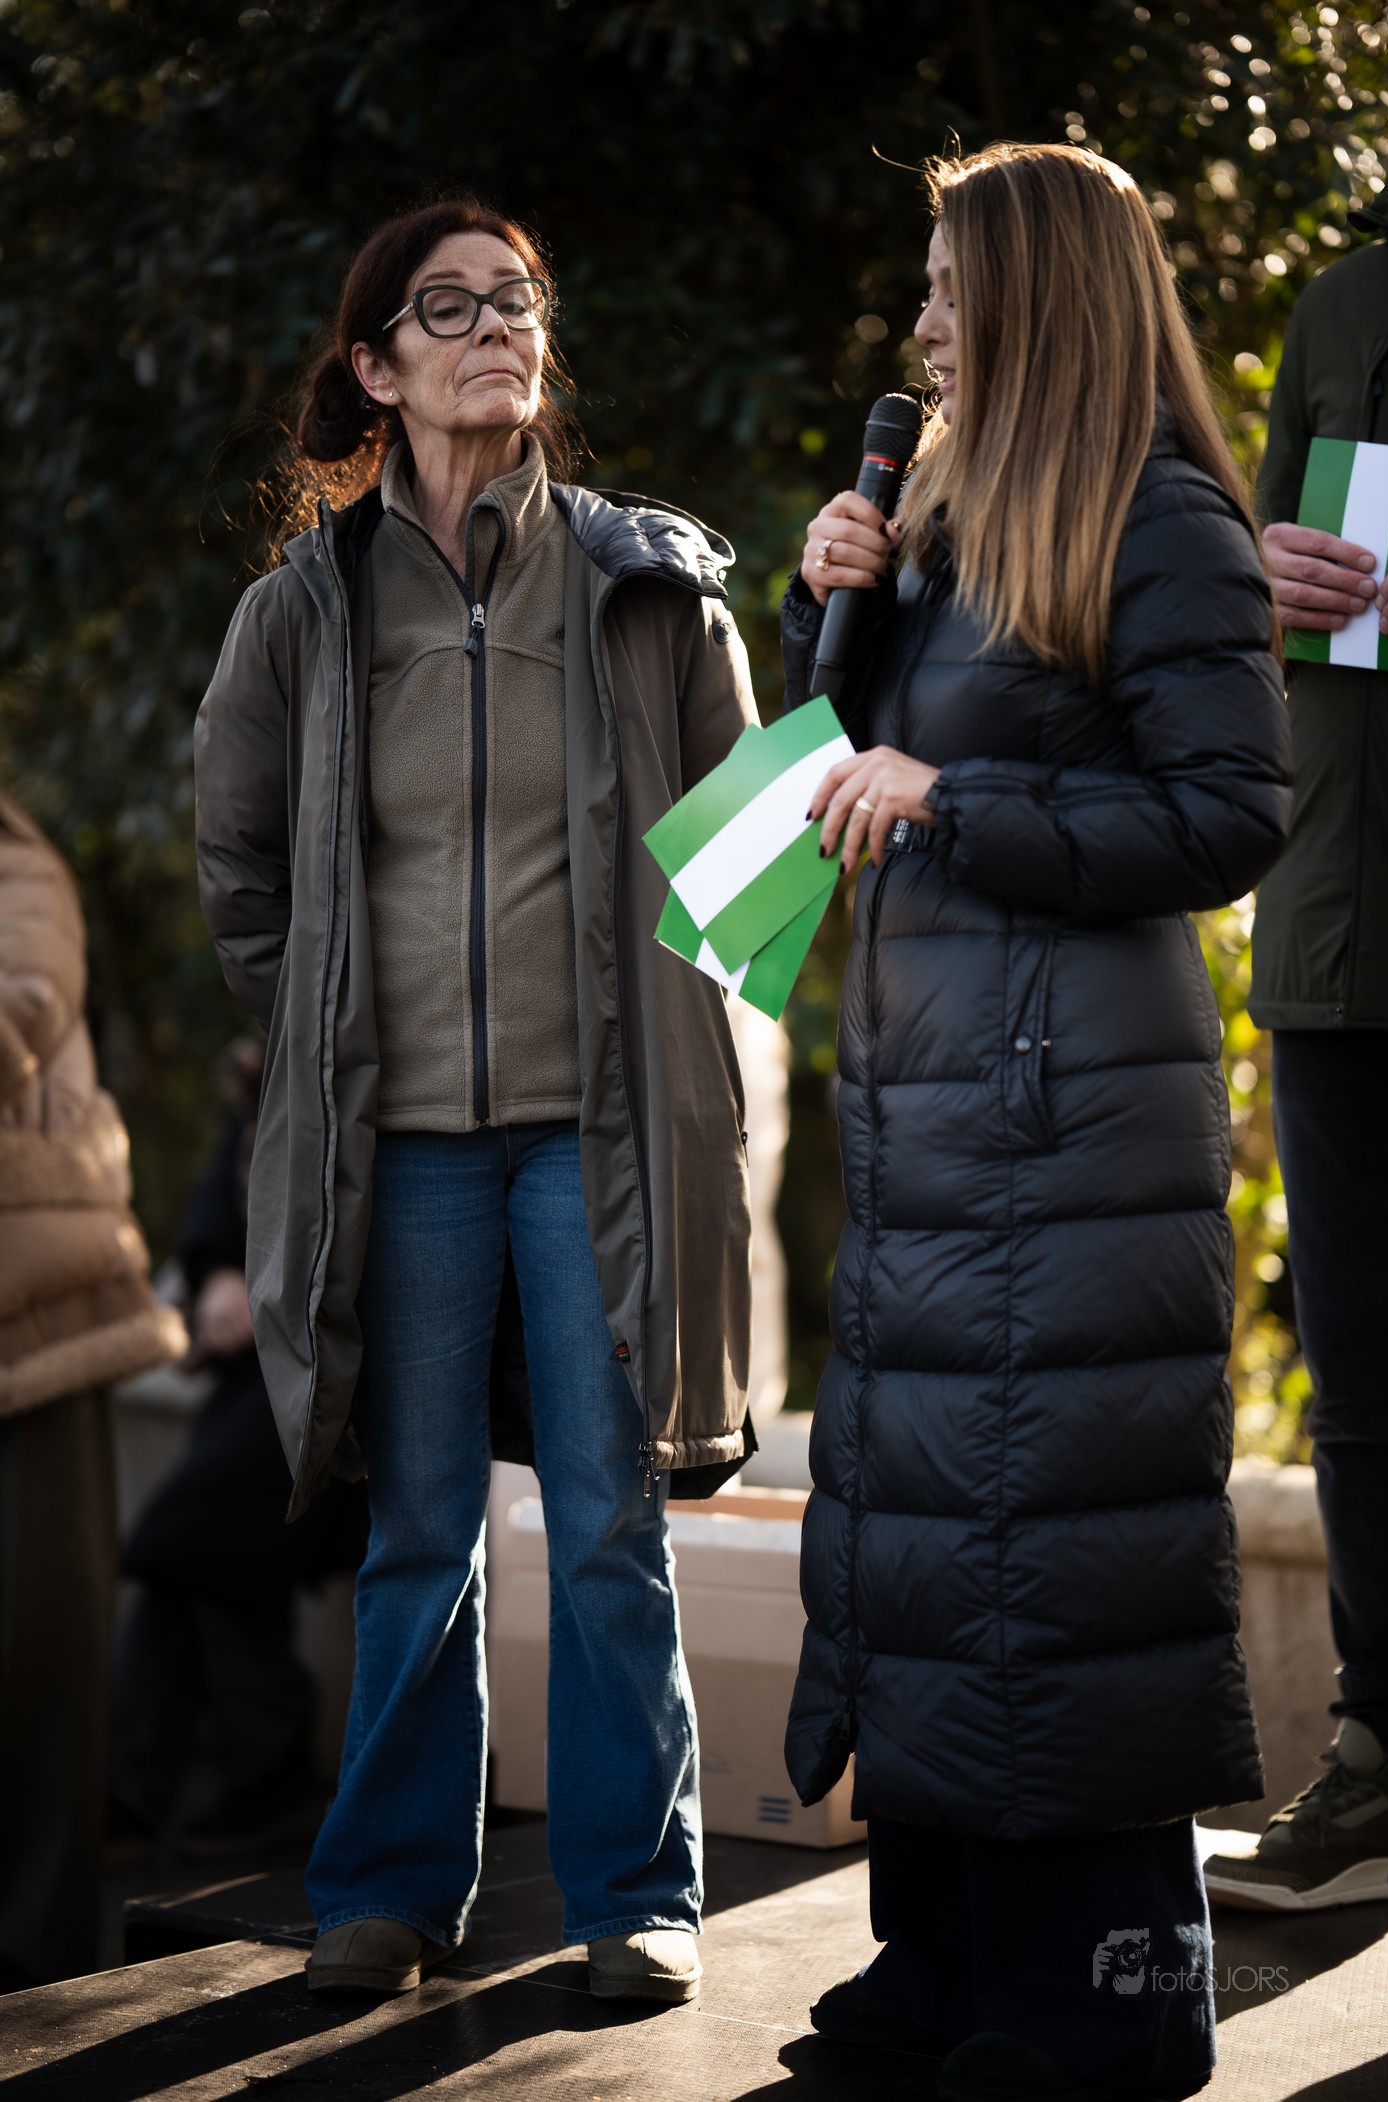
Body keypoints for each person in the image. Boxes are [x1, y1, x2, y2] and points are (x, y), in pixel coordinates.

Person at [193, 197, 755, 2001]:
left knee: (606, 1520)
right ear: (378, 368)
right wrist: (333, 1030)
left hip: (599, 1141)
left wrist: (674, 1047)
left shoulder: (645, 586)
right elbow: (239, 872)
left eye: (518, 300)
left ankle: (636, 1894)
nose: (501, 327)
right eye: (453, 309)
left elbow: (755, 871)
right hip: (403, 1151)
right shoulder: (302, 608)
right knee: (418, 1526)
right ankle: (384, 1888)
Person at [780, 144, 1290, 2102]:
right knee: (933, 1534)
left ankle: (1105, 1985)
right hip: (936, 1118)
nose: (918, 320)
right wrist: (835, 606)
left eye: (946, 282)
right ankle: (946, 1951)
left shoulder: (1157, 516)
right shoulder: (935, 515)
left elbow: (1227, 817)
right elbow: (843, 787)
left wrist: (958, 801)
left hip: (1072, 1126)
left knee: (1056, 1548)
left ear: (1037, 294)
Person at [1202, 169, 1388, 1914]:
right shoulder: (1344, 303)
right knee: (1363, 1373)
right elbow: (1258, 585)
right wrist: (1267, 575)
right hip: (1344, 921)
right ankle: (1382, 1741)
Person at [0, 786, 185, 1990]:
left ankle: (41, 1988)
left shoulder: (17, 864)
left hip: (43, 1327)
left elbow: (21, 1010)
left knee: (40, 1673)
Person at [110, 1035, 369, 1858]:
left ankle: (196, 1783)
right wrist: (221, 1271)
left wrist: (263, 1288)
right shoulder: (268, 1061)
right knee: (188, 1558)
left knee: (190, 1542)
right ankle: (191, 1784)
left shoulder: (362, 1050)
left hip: (338, 1370)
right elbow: (223, 1209)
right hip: (255, 1376)